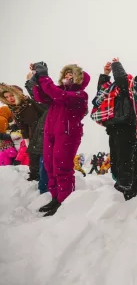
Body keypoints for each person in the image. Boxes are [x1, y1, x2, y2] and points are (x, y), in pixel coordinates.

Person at [29, 62, 90, 216]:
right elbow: (40, 96)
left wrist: (44, 77)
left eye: (71, 75)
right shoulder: (58, 94)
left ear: (79, 80)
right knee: (50, 166)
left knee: (62, 167)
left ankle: (65, 201)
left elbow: (58, 95)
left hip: (67, 135)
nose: (67, 77)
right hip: (51, 134)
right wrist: (37, 80)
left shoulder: (79, 95)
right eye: (66, 74)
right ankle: (56, 198)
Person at [93, 58, 137, 200]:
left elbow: (122, 79)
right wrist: (105, 74)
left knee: (124, 158)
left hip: (125, 125)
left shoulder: (129, 88)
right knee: (116, 159)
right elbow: (102, 91)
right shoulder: (116, 90)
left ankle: (125, 187)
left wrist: (116, 65)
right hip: (114, 126)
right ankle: (120, 183)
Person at [0, 83, 47, 181]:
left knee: (39, 154)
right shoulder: (14, 108)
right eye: (7, 97)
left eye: (11, 95)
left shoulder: (28, 102)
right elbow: (22, 125)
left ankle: (40, 176)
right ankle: (35, 176)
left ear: (17, 94)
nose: (10, 98)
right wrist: (26, 139)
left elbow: (41, 116)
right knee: (31, 153)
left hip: (43, 130)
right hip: (32, 132)